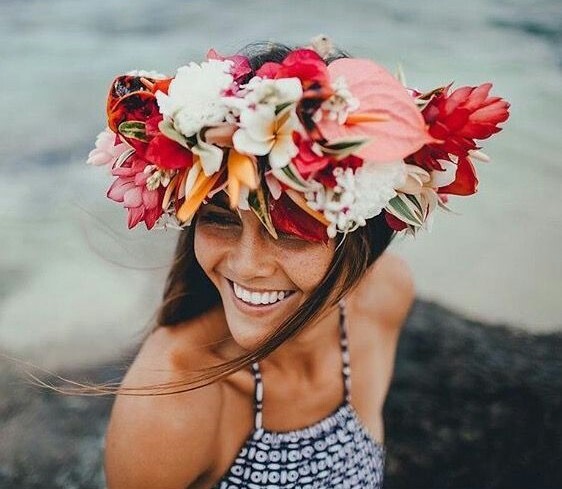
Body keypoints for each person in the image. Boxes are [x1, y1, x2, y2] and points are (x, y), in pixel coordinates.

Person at [89, 39, 510, 488]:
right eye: (218, 219)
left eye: (291, 231)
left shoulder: (386, 298)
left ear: (362, 238)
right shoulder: (172, 406)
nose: (248, 266)